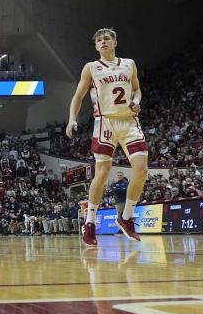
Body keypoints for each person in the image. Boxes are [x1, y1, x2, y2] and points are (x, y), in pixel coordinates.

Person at [66, 28, 148, 248]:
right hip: (105, 122)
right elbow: (78, 95)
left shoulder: (129, 63)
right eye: (99, 40)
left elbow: (137, 90)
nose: (103, 42)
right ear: (96, 47)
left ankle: (126, 218)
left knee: (141, 170)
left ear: (115, 43)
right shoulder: (91, 68)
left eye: (107, 39)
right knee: (102, 173)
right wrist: (72, 119)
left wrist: (137, 101)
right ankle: (90, 223)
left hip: (129, 122)